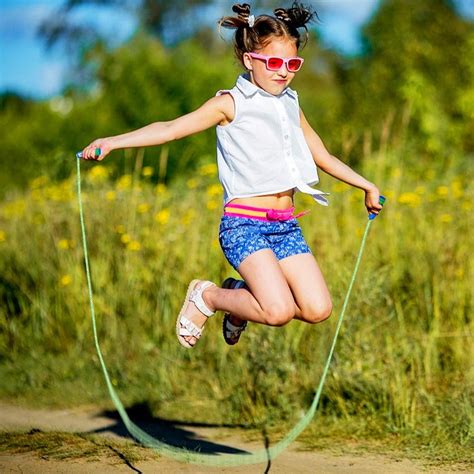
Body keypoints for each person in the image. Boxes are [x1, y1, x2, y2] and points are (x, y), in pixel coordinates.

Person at [79, 2, 382, 349]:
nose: (283, 72)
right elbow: (171, 129)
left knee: (318, 308)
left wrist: (366, 185)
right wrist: (113, 142)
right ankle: (207, 297)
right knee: (278, 311)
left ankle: (239, 294)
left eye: (292, 64)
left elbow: (323, 155)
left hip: (286, 225)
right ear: (249, 59)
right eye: (274, 63)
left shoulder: (290, 103)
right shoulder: (230, 103)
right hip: (244, 225)